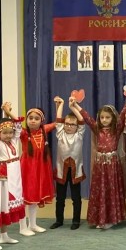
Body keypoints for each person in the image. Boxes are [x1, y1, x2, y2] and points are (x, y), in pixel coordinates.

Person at [73, 100, 126, 230]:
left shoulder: (116, 129)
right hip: (100, 166)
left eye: (107, 117)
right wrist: (75, 105)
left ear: (113, 118)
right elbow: (87, 118)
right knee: (100, 190)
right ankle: (100, 218)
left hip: (112, 165)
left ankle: (111, 219)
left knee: (111, 190)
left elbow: (122, 114)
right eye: (102, 117)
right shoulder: (97, 129)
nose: (104, 120)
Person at [0, 105, 27, 248]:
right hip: (2, 178)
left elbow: (18, 124)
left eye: (10, 132)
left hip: (14, 177)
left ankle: (4, 235)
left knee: (5, 206)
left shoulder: (14, 141)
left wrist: (8, 112)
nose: (8, 135)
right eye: (5, 133)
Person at [9, 105, 56, 233]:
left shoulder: (44, 130)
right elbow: (16, 123)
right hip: (27, 169)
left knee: (34, 197)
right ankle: (22, 227)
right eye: (30, 118)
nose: (33, 121)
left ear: (41, 121)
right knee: (24, 197)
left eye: (36, 118)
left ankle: (33, 224)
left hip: (40, 168)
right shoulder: (24, 133)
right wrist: (8, 112)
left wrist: (59, 106)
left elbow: (57, 122)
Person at [51, 97, 86, 230]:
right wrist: (61, 104)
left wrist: (73, 107)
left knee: (76, 198)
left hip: (75, 171)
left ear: (77, 127)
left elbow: (81, 119)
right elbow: (59, 119)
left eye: (72, 124)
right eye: (67, 124)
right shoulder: (60, 134)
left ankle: (76, 220)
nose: (69, 126)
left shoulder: (79, 135)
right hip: (62, 171)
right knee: (60, 198)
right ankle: (59, 220)